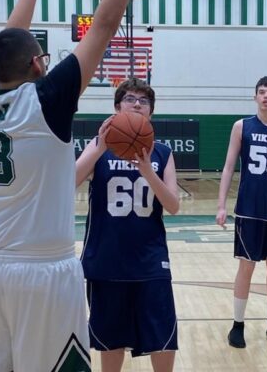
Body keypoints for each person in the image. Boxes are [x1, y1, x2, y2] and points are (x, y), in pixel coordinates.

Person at [0, 0, 138, 370]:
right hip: (42, 273)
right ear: (36, 63)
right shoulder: (47, 99)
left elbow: (9, 36)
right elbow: (105, 26)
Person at [76, 78, 180, 372]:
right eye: (130, 99)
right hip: (106, 259)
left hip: (151, 260)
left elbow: (173, 205)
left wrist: (148, 172)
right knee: (111, 341)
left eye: (143, 101)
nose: (136, 104)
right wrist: (100, 146)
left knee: (163, 336)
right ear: (116, 107)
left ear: (151, 112)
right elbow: (69, 181)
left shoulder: (162, 153)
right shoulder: (97, 147)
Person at [216, 76, 267, 349]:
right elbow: (229, 167)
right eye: (262, 92)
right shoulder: (242, 126)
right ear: (255, 97)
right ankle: (237, 325)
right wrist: (221, 205)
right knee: (246, 265)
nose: (266, 96)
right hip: (248, 210)